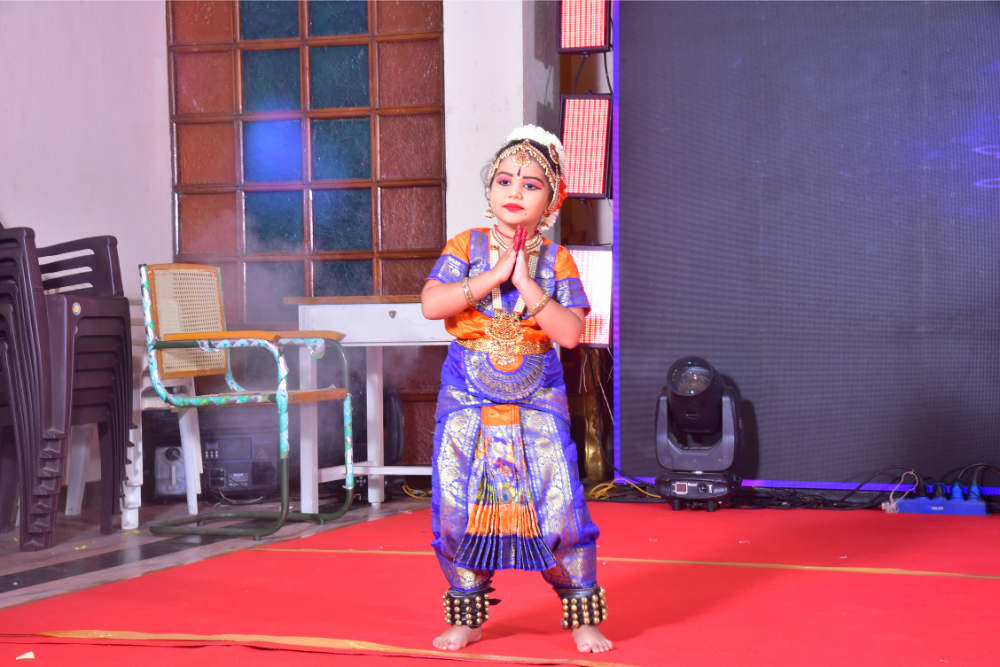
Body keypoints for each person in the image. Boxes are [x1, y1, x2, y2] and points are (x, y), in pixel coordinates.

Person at [421, 125, 612, 654]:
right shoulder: (466, 246)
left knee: (560, 504)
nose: (514, 191)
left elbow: (569, 335)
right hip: (467, 392)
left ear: (552, 201)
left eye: (531, 185)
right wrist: (494, 274)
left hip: (537, 394)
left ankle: (582, 614)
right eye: (504, 180)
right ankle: (467, 615)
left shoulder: (557, 259)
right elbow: (432, 305)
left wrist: (525, 280)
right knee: (456, 504)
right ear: (489, 191)